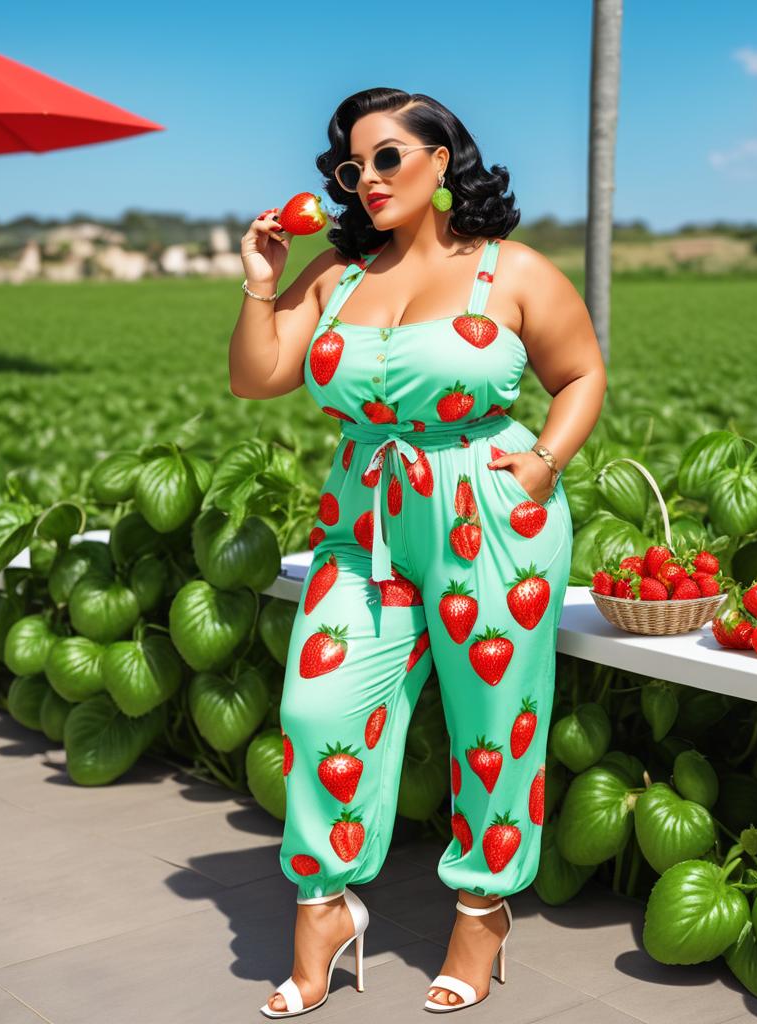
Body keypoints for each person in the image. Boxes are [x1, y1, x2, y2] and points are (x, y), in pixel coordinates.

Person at [229, 87, 606, 1017]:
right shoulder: (337, 274)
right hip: (363, 518)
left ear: (444, 161)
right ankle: (324, 906)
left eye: (388, 157)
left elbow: (581, 373)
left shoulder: (510, 270)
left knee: (492, 726)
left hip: (491, 512)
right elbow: (259, 377)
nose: (367, 180)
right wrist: (263, 278)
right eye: (352, 167)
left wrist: (544, 464)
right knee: (317, 709)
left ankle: (482, 911)